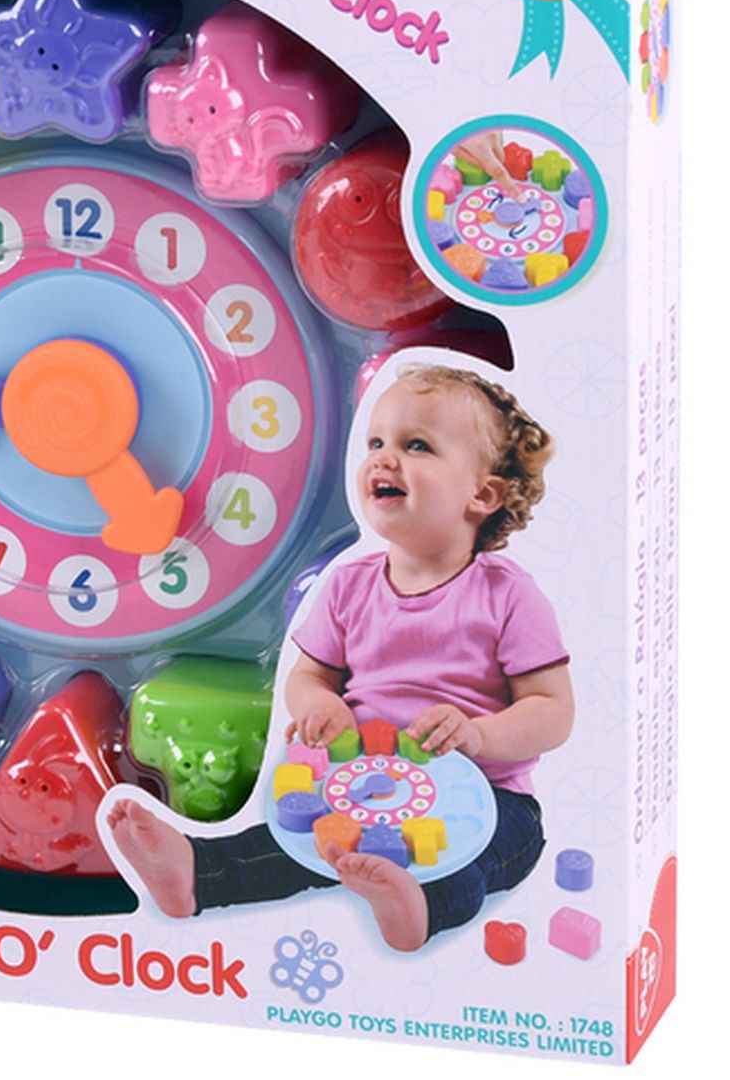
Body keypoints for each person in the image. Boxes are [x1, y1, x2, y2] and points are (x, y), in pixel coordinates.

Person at [108, 364, 572, 951]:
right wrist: (320, 705)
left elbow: (553, 710)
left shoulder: (508, 594)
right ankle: (197, 874)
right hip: (362, 785)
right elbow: (308, 675)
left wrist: (479, 735)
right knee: (292, 839)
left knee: (482, 858)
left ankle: (414, 906)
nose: (384, 459)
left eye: (417, 445)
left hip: (483, 797)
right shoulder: (350, 584)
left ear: (482, 494)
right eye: (376, 442)